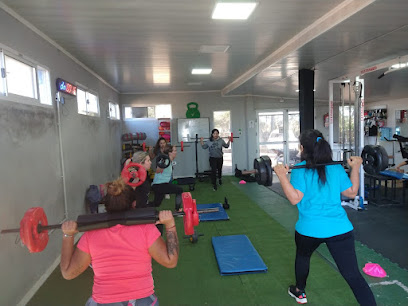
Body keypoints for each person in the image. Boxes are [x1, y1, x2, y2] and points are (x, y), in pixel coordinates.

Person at [273, 129, 376, 305]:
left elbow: (294, 198)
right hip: (339, 229)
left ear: (303, 148)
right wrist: (356, 168)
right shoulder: (335, 168)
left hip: (309, 230)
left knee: (303, 256)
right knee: (353, 275)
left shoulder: (300, 170)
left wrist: (282, 176)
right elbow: (351, 192)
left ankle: (300, 292)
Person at [60, 177, 179, 306]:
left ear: (106, 205)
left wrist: (68, 235)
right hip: (142, 301)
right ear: (134, 203)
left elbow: (68, 273)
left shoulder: (91, 234)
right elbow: (170, 261)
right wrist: (170, 225)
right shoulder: (146, 229)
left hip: (104, 301)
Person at [151, 144, 183, 211]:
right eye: (174, 151)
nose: (176, 152)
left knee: (156, 203)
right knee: (179, 190)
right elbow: (157, 171)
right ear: (169, 153)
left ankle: (141, 207)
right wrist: (161, 164)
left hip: (159, 185)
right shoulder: (166, 161)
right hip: (160, 185)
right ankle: (177, 210)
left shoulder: (169, 161)